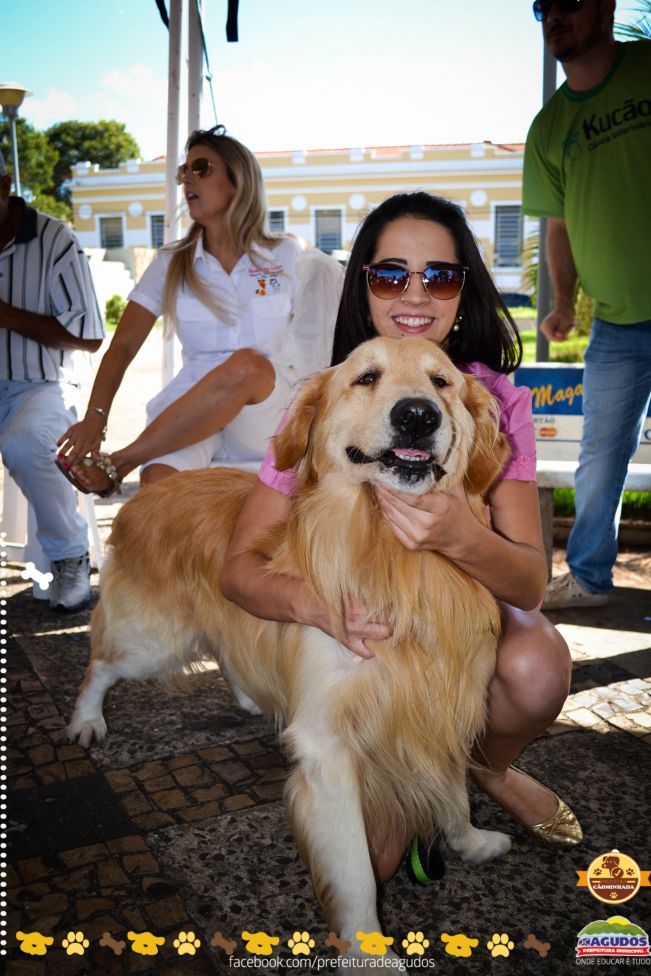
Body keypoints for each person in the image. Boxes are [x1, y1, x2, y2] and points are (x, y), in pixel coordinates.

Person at [219, 191, 581, 882]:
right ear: (363, 285)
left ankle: (484, 768)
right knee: (375, 867)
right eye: (391, 275)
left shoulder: (493, 400)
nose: (415, 294)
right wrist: (317, 607)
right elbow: (238, 569)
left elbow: (530, 583)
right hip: (369, 632)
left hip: (466, 621)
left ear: (463, 289)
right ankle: (417, 779)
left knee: (537, 671)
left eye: (439, 275)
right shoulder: (331, 395)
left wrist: (459, 534)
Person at [56, 126, 343, 493]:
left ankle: (120, 462)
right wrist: (95, 417)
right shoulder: (171, 262)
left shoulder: (287, 255)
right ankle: (138, 466)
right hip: (192, 413)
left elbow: (325, 344)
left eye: (201, 168)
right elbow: (122, 346)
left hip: (266, 413)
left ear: (238, 180)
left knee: (247, 365)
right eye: (184, 170)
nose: (186, 178)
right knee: (158, 486)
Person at [523, 0, 651, 609]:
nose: (554, 15)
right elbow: (560, 224)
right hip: (616, 328)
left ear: (605, 5)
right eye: (542, 6)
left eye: (569, 1)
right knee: (599, 457)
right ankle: (590, 579)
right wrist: (564, 304)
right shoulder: (548, 128)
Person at [0, 150, 104, 612]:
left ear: (4, 188)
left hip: (41, 382)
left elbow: (89, 336)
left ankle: (70, 557)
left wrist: (6, 315)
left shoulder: (54, 239)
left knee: (24, 440)